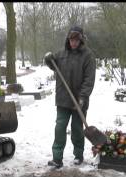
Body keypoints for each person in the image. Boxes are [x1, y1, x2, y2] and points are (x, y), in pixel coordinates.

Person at [44, 26, 96, 169]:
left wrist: (83, 97)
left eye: (76, 40)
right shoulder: (61, 54)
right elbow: (53, 65)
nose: (73, 42)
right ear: (68, 39)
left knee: (77, 129)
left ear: (81, 40)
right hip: (63, 98)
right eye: (71, 39)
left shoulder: (88, 56)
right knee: (60, 127)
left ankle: (78, 156)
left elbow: (89, 79)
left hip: (80, 100)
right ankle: (57, 158)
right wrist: (48, 60)